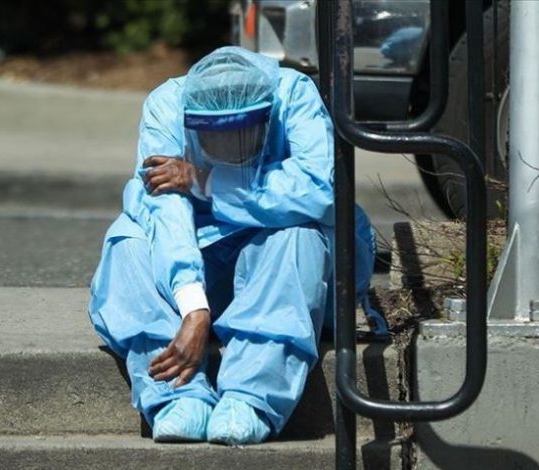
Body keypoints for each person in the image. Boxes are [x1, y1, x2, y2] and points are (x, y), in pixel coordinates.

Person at [88, 46, 385, 446]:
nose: (231, 145)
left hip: (278, 271)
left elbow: (320, 190)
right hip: (201, 261)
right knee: (128, 244)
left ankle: (251, 396)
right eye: (215, 135)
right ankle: (176, 394)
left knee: (298, 235)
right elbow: (164, 208)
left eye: (243, 132)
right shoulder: (166, 104)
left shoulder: (294, 93)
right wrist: (193, 306)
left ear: (267, 115)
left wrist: (206, 180)